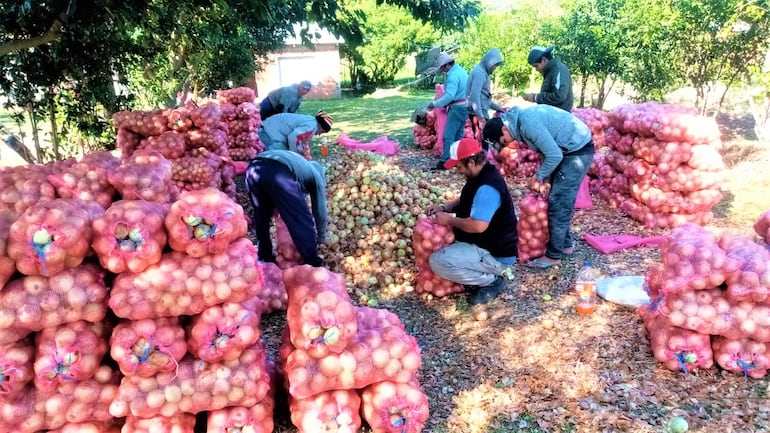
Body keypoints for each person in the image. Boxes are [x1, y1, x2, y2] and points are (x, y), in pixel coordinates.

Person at [482, 105, 594, 269]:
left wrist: (538, 177)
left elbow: (554, 154)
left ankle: (554, 255)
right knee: (556, 198)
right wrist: (547, 179)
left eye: (505, 141)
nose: (509, 143)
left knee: (559, 201)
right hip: (566, 149)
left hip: (577, 150)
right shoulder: (520, 123)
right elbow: (546, 150)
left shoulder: (527, 123)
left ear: (505, 129)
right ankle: (566, 244)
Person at [425, 138, 519, 305]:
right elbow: (466, 199)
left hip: (495, 253)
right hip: (485, 244)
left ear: (471, 161)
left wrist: (449, 220)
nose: (457, 170)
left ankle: (492, 280)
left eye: (459, 166)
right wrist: (444, 208)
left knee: (438, 261)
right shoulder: (480, 175)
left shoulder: (487, 188)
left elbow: (477, 226)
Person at [245, 149, 328, 267]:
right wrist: (321, 236)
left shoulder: (301, 166)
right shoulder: (317, 176)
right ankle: (312, 262)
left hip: (253, 169)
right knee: (301, 218)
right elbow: (320, 210)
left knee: (261, 216)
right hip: (278, 170)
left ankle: (265, 256)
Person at [427, 52, 468, 170]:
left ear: (447, 66)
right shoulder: (462, 71)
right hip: (464, 106)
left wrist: (434, 104)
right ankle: (458, 159)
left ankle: (445, 162)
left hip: (457, 108)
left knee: (448, 136)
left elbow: (450, 96)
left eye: (443, 69)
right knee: (458, 135)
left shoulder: (453, 75)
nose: (444, 71)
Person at [466, 48, 505, 139]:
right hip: (478, 115)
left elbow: (485, 97)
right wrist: (480, 117)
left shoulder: (483, 73)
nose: (495, 68)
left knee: (484, 142)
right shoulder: (479, 73)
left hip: (480, 113)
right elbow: (474, 96)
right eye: (495, 65)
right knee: (482, 142)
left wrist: (498, 108)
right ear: (489, 62)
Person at [523, 46, 574, 112]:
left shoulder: (558, 69)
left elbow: (559, 96)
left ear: (544, 60)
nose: (536, 69)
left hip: (559, 116)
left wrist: (535, 97)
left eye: (536, 66)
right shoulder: (550, 71)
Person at [258, 111, 333, 155]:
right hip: (268, 135)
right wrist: (296, 155)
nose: (319, 134)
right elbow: (293, 138)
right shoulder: (312, 127)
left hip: (267, 128)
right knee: (283, 159)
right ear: (320, 126)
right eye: (322, 132)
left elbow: (299, 139)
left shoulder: (310, 120)